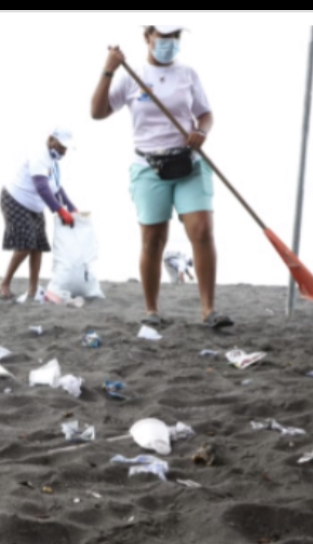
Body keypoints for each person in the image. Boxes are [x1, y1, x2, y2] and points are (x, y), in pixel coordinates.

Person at [91, 25, 233, 329]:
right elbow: (98, 112)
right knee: (153, 239)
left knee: (202, 230)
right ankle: (151, 310)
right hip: (148, 167)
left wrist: (201, 131)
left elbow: (205, 114)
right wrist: (109, 70)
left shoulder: (188, 74)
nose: (170, 42)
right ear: (148, 37)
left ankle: (209, 310)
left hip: (189, 163)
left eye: (175, 37)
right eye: (163, 37)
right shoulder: (132, 75)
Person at [0, 127, 79, 301]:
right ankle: (4, 282)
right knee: (26, 244)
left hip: (35, 206)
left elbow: (55, 188)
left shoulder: (53, 162)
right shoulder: (40, 156)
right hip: (15, 200)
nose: (63, 151)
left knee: (38, 246)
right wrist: (60, 211)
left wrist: (70, 206)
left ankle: (33, 290)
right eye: (61, 146)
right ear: (51, 140)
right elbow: (42, 187)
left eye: (65, 148)